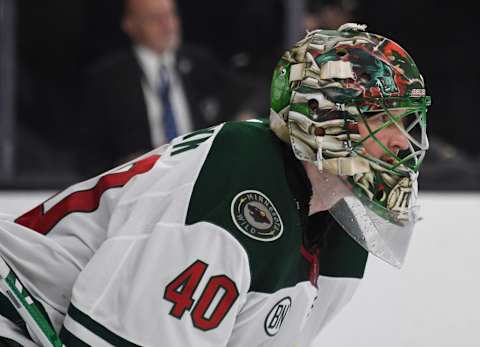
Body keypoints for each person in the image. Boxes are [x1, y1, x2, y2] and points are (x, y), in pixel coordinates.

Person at [0, 23, 430, 346]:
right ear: (324, 116)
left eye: (409, 121)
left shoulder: (344, 226)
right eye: (381, 118)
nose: (402, 139)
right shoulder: (241, 176)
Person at [79, 0, 254, 177]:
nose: (168, 25)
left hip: (199, 177)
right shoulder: (109, 78)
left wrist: (243, 117)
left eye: (170, 15)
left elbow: (249, 93)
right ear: (130, 25)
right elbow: (88, 155)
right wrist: (121, 168)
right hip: (141, 185)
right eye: (155, 19)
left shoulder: (199, 63)